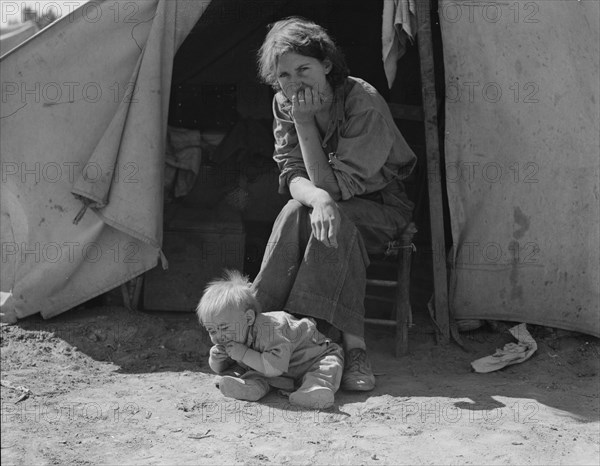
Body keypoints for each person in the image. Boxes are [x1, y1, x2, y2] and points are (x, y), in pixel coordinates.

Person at [253, 17, 416, 391]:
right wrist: (318, 198)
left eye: (304, 69)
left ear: (326, 65)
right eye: (284, 76)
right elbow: (293, 174)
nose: (294, 83)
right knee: (298, 210)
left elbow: (337, 188)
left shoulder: (363, 103)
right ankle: (263, 329)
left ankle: (337, 345)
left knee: (333, 218)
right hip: (326, 205)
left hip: (383, 207)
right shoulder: (284, 103)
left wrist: (305, 123)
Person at [196, 270, 345, 409]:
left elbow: (274, 367)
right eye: (211, 330)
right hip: (276, 369)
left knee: (326, 368)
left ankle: (313, 391)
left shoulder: (271, 329)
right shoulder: (235, 337)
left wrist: (243, 354)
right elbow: (224, 367)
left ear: (249, 318)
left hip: (313, 358)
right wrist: (216, 360)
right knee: (254, 371)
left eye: (224, 327)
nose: (219, 336)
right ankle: (250, 388)